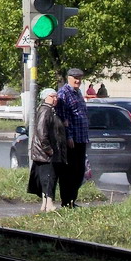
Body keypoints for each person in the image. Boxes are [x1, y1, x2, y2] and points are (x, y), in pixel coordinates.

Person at [55, 67, 90, 207]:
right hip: (72, 139)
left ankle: (72, 200)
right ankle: (66, 201)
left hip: (81, 137)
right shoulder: (64, 94)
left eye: (80, 78)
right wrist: (68, 137)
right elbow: (64, 118)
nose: (78, 80)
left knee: (79, 171)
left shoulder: (78, 92)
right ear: (68, 78)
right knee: (69, 172)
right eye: (75, 78)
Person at [28, 87, 66, 212]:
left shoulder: (50, 110)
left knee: (47, 177)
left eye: (56, 97)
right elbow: (41, 131)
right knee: (49, 177)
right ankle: (49, 204)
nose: (55, 99)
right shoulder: (46, 110)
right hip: (45, 153)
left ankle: (45, 204)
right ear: (45, 97)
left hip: (45, 152)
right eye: (52, 96)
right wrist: (48, 149)